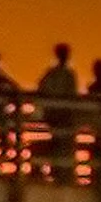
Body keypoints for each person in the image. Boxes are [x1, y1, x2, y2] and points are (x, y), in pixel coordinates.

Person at [33, 42, 80, 182]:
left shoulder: (54, 73)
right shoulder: (66, 73)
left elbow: (41, 87)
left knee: (59, 144)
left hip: (56, 115)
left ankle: (60, 172)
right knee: (62, 144)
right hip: (62, 115)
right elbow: (72, 95)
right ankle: (62, 173)